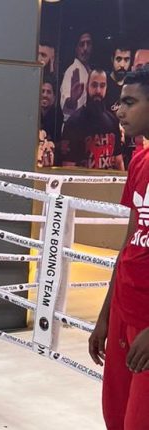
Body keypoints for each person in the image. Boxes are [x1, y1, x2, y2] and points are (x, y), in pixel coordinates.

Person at [89, 65, 149, 430]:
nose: (119, 110)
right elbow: (129, 244)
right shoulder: (140, 161)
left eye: (129, 102)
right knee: (116, 418)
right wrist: (105, 316)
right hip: (124, 310)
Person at [61, 68, 124, 170]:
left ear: (106, 88)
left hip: (107, 179)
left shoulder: (113, 121)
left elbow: (119, 161)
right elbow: (68, 167)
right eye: (94, 85)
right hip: (82, 180)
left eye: (102, 86)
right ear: (87, 87)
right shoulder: (73, 123)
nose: (98, 91)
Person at [61, 32, 93, 121]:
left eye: (88, 44)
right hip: (73, 125)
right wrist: (72, 100)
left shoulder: (91, 72)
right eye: (81, 44)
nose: (85, 48)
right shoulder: (71, 71)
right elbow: (65, 104)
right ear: (76, 48)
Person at [40, 78, 63, 167]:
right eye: (42, 91)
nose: (44, 95)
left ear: (54, 97)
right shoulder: (31, 114)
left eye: (48, 92)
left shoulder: (58, 117)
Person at [106, 44, 133, 116]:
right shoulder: (103, 83)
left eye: (126, 60)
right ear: (112, 59)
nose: (122, 65)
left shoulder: (132, 85)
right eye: (119, 59)